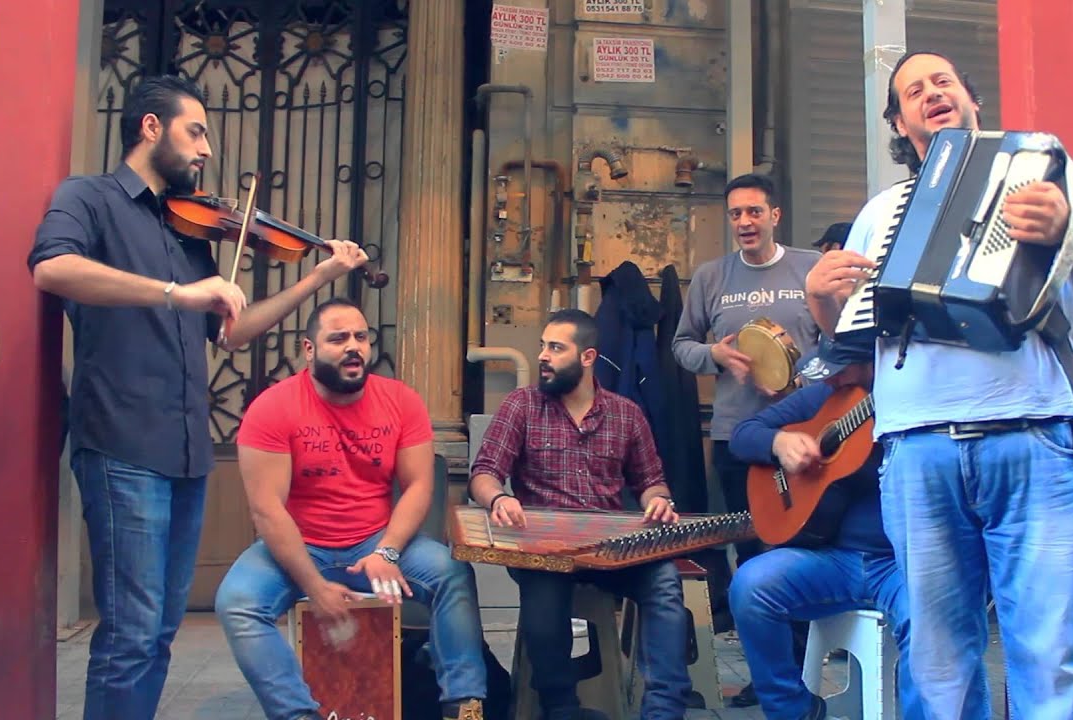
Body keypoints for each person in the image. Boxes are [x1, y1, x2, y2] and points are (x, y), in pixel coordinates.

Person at [805, 50, 1073, 719]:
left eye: (942, 81)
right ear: (900, 121)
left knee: (1053, 655)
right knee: (936, 661)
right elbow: (852, 354)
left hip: (1030, 435)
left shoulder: (1052, 175)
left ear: (972, 98)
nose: (931, 93)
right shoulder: (879, 214)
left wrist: (1069, 229)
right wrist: (821, 299)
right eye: (913, 90)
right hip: (916, 450)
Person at [26, 75, 371, 720]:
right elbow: (52, 267)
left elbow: (232, 332)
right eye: (197, 131)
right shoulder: (89, 198)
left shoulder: (187, 229)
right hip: (122, 443)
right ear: (150, 128)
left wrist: (318, 276)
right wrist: (174, 292)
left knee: (159, 632)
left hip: (185, 453)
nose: (207, 149)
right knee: (130, 632)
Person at [214, 298, 487, 720]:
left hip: (375, 540)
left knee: (453, 574)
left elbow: (418, 487)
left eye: (361, 336)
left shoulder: (400, 400)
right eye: (338, 338)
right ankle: (298, 713)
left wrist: (387, 551)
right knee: (237, 602)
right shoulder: (272, 408)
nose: (353, 347)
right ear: (308, 349)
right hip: (298, 546)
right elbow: (267, 510)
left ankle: (463, 704)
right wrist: (315, 586)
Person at [469, 309, 691, 720]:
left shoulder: (626, 413)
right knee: (543, 597)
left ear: (587, 357)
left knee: (664, 579)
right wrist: (499, 499)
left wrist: (659, 502)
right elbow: (484, 473)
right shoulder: (522, 405)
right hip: (544, 550)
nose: (543, 357)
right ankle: (561, 709)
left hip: (609, 550)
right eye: (542, 346)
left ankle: (664, 710)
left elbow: (651, 481)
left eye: (556, 348)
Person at [726, 337, 924, 720]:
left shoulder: (913, 399)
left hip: (902, 563)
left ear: (873, 364)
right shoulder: (826, 397)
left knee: (930, 617)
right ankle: (793, 711)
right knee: (751, 586)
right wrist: (778, 441)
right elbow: (743, 434)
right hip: (832, 558)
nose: (829, 382)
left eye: (839, 372)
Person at [672, 172, 821, 646]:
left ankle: (804, 659)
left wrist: (803, 378)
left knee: (801, 545)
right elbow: (681, 346)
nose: (744, 222)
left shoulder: (810, 269)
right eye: (736, 213)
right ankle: (767, 666)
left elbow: (840, 342)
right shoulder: (712, 277)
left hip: (807, 430)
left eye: (754, 211)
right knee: (752, 551)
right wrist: (713, 355)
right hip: (738, 435)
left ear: (775, 216)